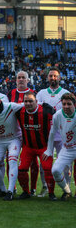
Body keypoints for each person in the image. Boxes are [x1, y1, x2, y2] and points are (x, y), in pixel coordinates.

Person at [15, 91, 56, 200]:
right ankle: (26, 192)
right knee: (21, 170)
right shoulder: (19, 111)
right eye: (26, 101)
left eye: (31, 101)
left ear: (37, 102)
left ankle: (51, 193)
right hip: (28, 147)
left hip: (44, 147)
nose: (28, 103)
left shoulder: (47, 112)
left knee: (48, 169)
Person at [36, 67, 70, 197]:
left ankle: (66, 189)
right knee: (44, 162)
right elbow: (36, 108)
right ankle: (45, 186)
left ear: (59, 77)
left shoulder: (66, 93)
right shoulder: (41, 93)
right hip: (46, 134)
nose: (53, 78)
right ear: (47, 78)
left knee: (65, 164)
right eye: (51, 76)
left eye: (55, 76)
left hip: (62, 134)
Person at [8, 71, 43, 197]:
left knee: (33, 161)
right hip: (14, 132)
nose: (21, 80)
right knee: (11, 160)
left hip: (30, 131)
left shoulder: (33, 92)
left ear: (28, 80)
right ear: (16, 80)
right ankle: (15, 187)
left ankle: (32, 188)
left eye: (23, 78)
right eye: (19, 78)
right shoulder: (11, 93)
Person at [44, 93, 76, 201]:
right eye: (64, 104)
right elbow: (52, 133)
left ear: (74, 105)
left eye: (69, 104)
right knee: (56, 170)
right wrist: (49, 150)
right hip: (66, 148)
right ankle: (67, 191)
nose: (66, 106)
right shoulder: (57, 115)